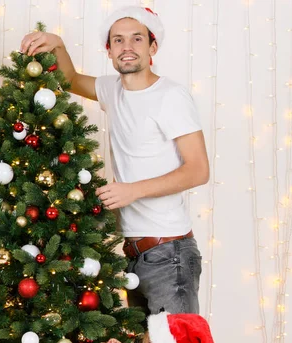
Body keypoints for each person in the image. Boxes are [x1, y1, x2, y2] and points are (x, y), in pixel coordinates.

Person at [20, 6, 209, 317]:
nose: (128, 47)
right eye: (118, 40)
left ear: (153, 47)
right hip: (133, 255)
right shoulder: (113, 89)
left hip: (170, 253)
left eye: (137, 39)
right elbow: (68, 79)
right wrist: (57, 43)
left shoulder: (171, 96)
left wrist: (133, 190)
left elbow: (198, 170)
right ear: (109, 51)